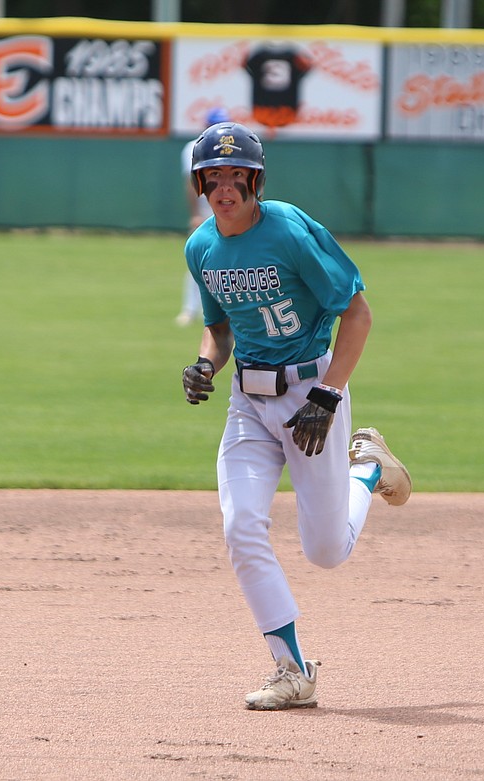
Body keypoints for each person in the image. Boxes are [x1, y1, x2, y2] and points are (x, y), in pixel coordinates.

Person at [179, 121, 412, 710]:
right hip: (246, 405)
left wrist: (330, 394)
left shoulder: (289, 230)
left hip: (312, 395)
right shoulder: (201, 246)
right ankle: (292, 669)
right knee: (240, 526)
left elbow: (355, 313)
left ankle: (369, 470)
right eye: (215, 175)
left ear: (255, 180)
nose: (226, 186)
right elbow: (220, 326)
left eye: (238, 175)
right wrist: (206, 364)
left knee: (326, 550)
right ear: (201, 182)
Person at [176, 107, 231, 326]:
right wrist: (196, 214)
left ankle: (228, 311)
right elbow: (190, 184)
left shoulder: (234, 149)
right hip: (206, 209)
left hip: (228, 209)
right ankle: (189, 310)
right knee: (198, 261)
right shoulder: (193, 148)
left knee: (232, 261)